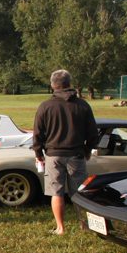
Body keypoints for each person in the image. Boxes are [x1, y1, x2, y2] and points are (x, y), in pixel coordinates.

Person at [32, 69, 98, 235]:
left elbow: (38, 133)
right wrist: (88, 149)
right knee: (79, 192)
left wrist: (38, 152)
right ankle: (84, 225)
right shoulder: (82, 105)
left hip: (54, 155)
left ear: (53, 85)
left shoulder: (46, 106)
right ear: (69, 84)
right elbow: (92, 132)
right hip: (76, 154)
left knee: (57, 192)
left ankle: (61, 228)